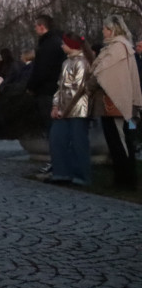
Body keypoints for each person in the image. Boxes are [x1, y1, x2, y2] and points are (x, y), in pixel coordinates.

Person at [89, 14, 142, 189]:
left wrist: (91, 81)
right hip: (113, 101)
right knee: (118, 140)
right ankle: (124, 177)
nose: (103, 31)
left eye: (105, 28)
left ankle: (125, 179)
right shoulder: (119, 47)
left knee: (119, 140)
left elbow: (102, 73)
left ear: (112, 29)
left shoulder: (118, 48)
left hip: (115, 101)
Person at [47, 35, 94, 185]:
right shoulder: (66, 62)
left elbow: (78, 89)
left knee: (78, 141)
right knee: (57, 138)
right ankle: (61, 173)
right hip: (63, 108)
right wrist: (55, 105)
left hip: (78, 108)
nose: (61, 46)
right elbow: (60, 86)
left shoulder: (82, 62)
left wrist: (64, 110)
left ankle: (80, 175)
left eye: (64, 43)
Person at [27, 14, 66, 137]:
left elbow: (41, 69)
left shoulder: (47, 45)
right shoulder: (57, 41)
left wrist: (31, 86)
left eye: (36, 26)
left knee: (50, 125)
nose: (35, 29)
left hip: (46, 90)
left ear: (42, 26)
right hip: (55, 88)